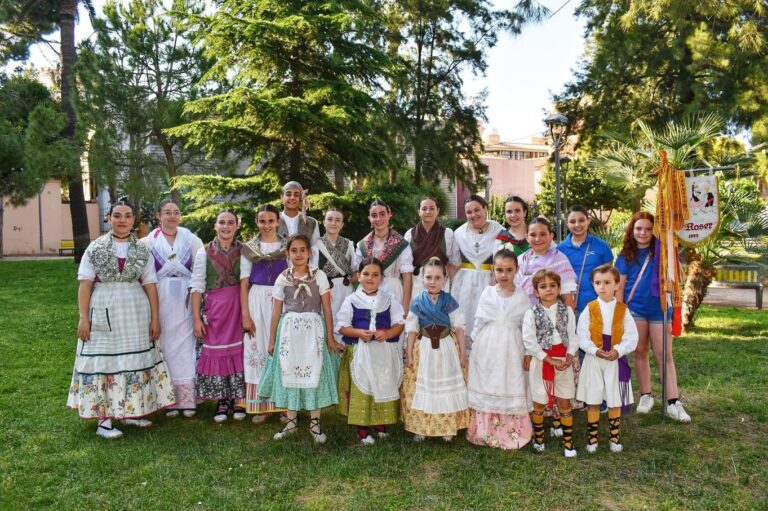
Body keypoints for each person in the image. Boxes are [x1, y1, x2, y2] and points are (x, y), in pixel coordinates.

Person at [67, 201, 175, 439]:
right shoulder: (95, 248)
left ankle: (128, 411)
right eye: (117, 216)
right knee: (104, 362)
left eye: (127, 216)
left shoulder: (141, 249)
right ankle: (103, 421)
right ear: (109, 218)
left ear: (133, 219)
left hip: (136, 312)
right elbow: (85, 285)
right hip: (104, 309)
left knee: (133, 359)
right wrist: (83, 318)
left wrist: (155, 319)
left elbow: (150, 285)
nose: (122, 220)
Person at [258, 234, 345, 443]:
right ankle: (291, 423)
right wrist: (272, 341)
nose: (298, 254)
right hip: (289, 333)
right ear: (288, 253)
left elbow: (326, 308)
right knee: (289, 372)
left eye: (302, 250)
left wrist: (330, 338)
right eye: (294, 250)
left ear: (309, 253)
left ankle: (315, 424)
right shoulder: (282, 278)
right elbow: (276, 311)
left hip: (314, 332)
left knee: (315, 373)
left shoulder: (319, 276)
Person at [615, 212, 691, 422]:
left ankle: (673, 402)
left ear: (654, 231)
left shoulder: (663, 253)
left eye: (648, 229)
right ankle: (646, 396)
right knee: (640, 352)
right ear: (632, 230)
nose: (643, 233)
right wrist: (620, 315)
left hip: (659, 309)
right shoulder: (624, 256)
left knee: (663, 353)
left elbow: (678, 276)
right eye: (639, 228)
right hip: (635, 310)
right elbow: (619, 287)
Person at [140, 199, 204, 418]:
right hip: (161, 298)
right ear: (159, 215)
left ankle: (187, 400)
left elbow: (199, 269)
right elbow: (145, 274)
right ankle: (169, 400)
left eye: (176, 212)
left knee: (187, 346)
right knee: (165, 345)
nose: (172, 216)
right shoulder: (148, 242)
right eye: (167, 212)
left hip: (186, 299)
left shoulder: (191, 239)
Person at [466, 249, 532, 450]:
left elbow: (527, 326)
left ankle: (511, 431)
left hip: (513, 347)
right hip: (488, 345)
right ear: (493, 270)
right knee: (489, 381)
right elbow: (479, 321)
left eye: (509, 270)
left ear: (516, 270)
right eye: (500, 270)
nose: (504, 275)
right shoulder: (487, 293)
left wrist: (528, 351)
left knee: (509, 381)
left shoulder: (522, 296)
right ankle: (485, 430)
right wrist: (474, 345)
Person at [336, 257, 405, 445]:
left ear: (382, 278)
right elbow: (342, 326)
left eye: (375, 275)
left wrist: (388, 332)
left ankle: (380, 424)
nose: (370, 278)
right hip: (360, 352)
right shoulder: (351, 300)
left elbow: (400, 322)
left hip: (382, 354)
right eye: (366, 274)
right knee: (363, 387)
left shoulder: (388, 299)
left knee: (381, 385)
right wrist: (358, 332)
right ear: (358, 276)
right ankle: (362, 428)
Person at [401, 257, 469, 442]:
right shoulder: (417, 302)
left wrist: (463, 353)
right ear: (422, 278)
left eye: (437, 278)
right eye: (429, 277)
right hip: (424, 348)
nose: (433, 282)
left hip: (446, 347)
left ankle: (447, 426)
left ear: (445, 279)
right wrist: (409, 354)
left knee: (444, 384)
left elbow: (459, 327)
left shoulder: (449, 301)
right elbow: (412, 329)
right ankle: (421, 427)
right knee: (425, 384)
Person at [190, 210, 246, 423]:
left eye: (230, 222)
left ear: (237, 225)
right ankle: (222, 399)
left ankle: (238, 398)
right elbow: (196, 286)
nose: (226, 226)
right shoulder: (204, 252)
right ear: (215, 226)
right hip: (214, 308)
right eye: (221, 222)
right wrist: (196, 318)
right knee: (217, 353)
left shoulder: (244, 250)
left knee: (238, 352)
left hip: (238, 307)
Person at [577, 264, 639, 452]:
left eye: (607, 282)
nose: (602, 287)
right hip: (594, 357)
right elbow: (581, 335)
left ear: (617, 285)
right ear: (593, 285)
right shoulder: (589, 308)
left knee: (614, 399)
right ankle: (593, 440)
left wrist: (619, 350)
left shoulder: (623, 310)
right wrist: (593, 350)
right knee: (593, 398)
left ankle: (614, 438)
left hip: (614, 359)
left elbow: (631, 336)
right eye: (597, 283)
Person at [522, 270, 579, 457]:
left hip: (563, 362)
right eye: (543, 287)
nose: (549, 290)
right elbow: (529, 341)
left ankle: (568, 443)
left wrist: (570, 356)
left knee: (564, 402)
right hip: (542, 362)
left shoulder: (567, 311)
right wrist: (547, 359)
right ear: (536, 292)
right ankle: (539, 439)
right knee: (539, 403)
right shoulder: (531, 313)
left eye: (553, 286)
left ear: (559, 288)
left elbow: (573, 335)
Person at [240, 204, 288, 422]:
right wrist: (245, 314)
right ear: (257, 222)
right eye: (262, 221)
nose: (266, 225)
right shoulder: (250, 248)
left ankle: (285, 403)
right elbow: (243, 283)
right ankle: (262, 404)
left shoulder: (288, 246)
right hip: (257, 299)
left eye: (271, 220)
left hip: (282, 300)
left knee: (282, 347)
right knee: (258, 349)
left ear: (278, 221)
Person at [451, 195, 503, 347]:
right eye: (469, 212)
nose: (473, 215)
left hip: (489, 282)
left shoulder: (499, 231)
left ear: (485, 209)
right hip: (464, 284)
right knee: (463, 322)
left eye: (477, 210)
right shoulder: (459, 233)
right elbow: (454, 261)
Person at [355, 200, 414, 314]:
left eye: (382, 214)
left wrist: (405, 307)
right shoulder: (362, 245)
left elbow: (407, 278)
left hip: (393, 292)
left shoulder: (401, 244)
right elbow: (358, 273)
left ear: (389, 215)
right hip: (367, 292)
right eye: (374, 215)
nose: (378, 219)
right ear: (369, 219)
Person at [557, 205, 614, 317]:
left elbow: (609, 277)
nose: (577, 225)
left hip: (598, 305)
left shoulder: (602, 246)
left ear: (588, 220)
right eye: (572, 221)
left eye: (581, 220)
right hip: (570, 306)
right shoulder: (560, 249)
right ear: (567, 224)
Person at [516, 216, 577, 308]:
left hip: (550, 316)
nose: (537, 239)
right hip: (520, 315)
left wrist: (570, 319)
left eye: (543, 234)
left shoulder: (559, 260)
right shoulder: (519, 260)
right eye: (533, 235)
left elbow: (567, 297)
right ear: (527, 237)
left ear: (551, 236)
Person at [404, 196, 460, 297]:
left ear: (437, 211)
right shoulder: (410, 234)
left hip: (440, 285)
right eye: (424, 209)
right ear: (419, 212)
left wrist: (446, 280)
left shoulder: (447, 234)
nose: (428, 212)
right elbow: (405, 265)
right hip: (417, 284)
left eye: (432, 208)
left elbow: (454, 262)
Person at [317, 208, 357, 342]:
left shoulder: (349, 244)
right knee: (326, 324)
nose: (333, 223)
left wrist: (350, 280)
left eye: (337, 220)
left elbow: (356, 270)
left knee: (346, 322)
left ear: (342, 224)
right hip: (324, 291)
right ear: (323, 222)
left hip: (345, 291)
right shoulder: (316, 245)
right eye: (330, 219)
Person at [277, 181, 321, 265]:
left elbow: (315, 250)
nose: (292, 197)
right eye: (288, 194)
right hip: (278, 273)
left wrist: (311, 273)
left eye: (296, 195)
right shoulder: (274, 220)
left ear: (301, 198)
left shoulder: (311, 223)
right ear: (281, 197)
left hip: (303, 273)